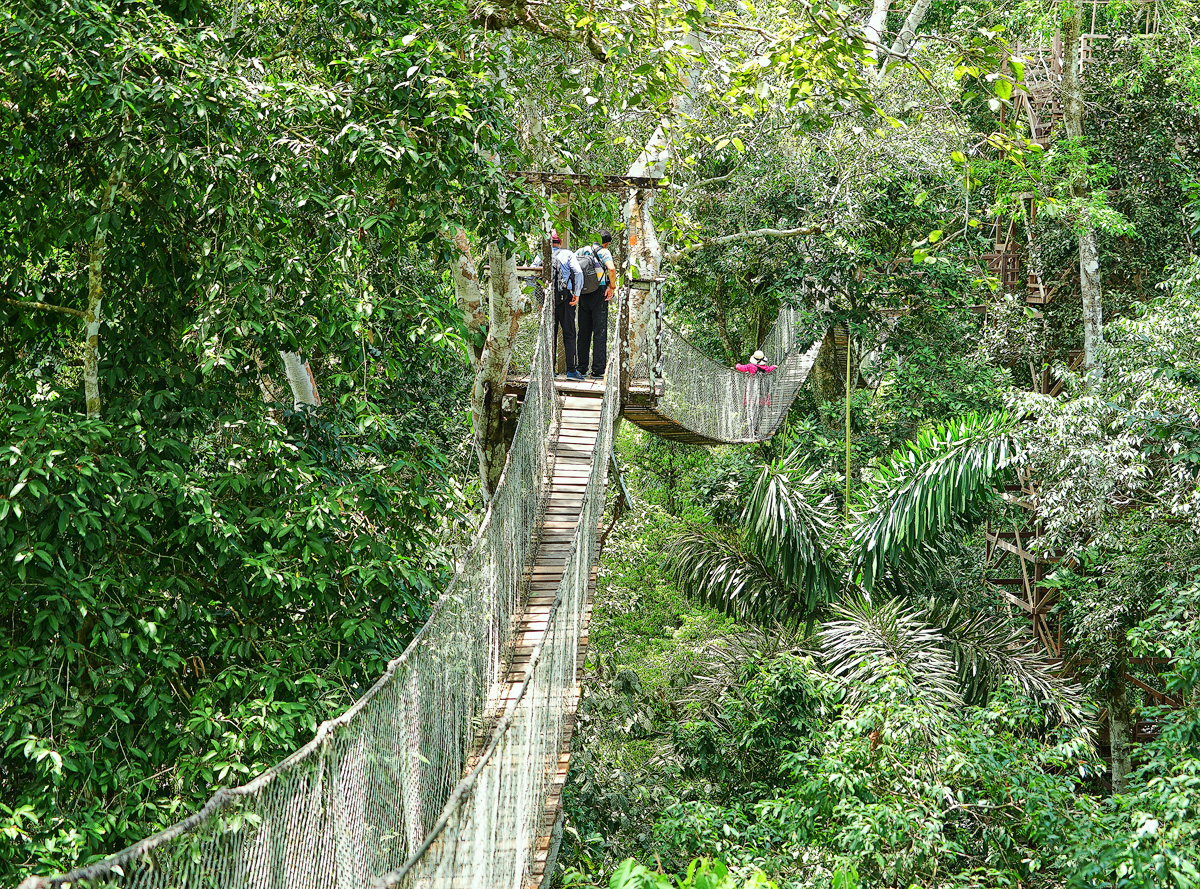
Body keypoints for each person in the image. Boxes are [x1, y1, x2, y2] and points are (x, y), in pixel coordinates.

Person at [540, 230, 584, 380]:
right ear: (560, 242)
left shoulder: (542, 255)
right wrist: (577, 293)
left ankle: (549, 371)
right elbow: (578, 272)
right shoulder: (567, 254)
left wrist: (539, 299)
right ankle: (571, 371)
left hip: (548, 299)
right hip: (566, 298)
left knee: (549, 335)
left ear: (547, 242)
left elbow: (531, 275)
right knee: (569, 334)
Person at [574, 232, 617, 379]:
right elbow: (611, 269)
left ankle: (581, 368)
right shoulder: (604, 251)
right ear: (606, 243)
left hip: (584, 292)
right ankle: (598, 370)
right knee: (600, 332)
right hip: (600, 292)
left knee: (583, 332)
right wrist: (612, 287)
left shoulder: (581, 251)